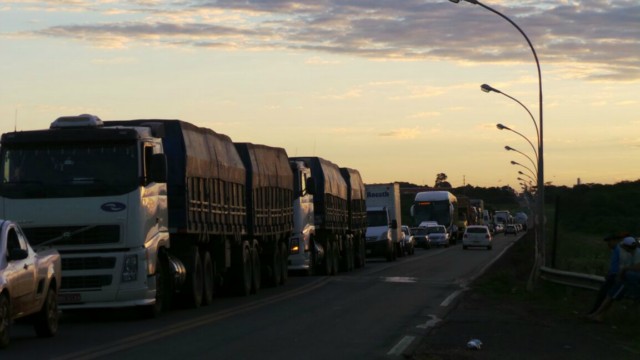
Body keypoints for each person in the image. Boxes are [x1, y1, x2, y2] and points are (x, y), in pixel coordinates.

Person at [587, 236, 640, 322]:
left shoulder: (637, 253)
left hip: (628, 281)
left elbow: (637, 267)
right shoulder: (631, 253)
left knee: (611, 295)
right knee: (611, 295)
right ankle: (598, 315)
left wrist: (624, 270)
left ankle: (596, 314)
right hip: (626, 279)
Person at [585, 232, 628, 316]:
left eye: (609, 241)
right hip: (613, 275)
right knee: (606, 296)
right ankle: (598, 314)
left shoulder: (619, 250)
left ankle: (595, 313)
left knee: (604, 295)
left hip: (615, 276)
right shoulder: (616, 250)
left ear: (615, 241)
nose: (608, 244)